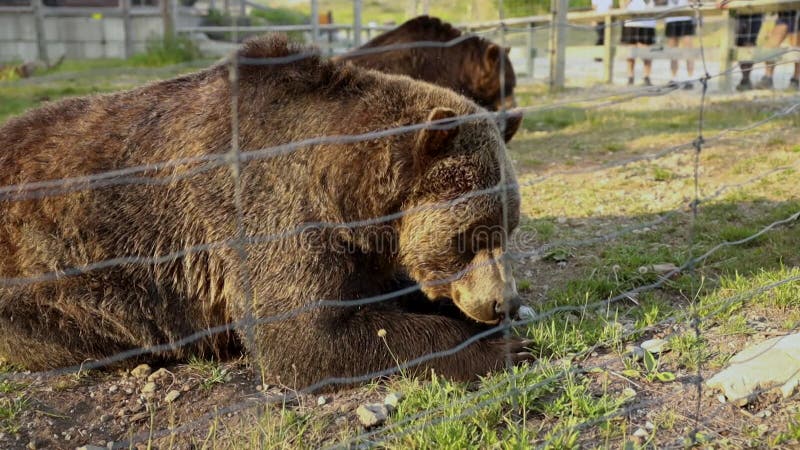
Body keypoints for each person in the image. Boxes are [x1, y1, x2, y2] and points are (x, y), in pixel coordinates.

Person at [718, 0, 764, 91]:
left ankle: (745, 79)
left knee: (749, 42)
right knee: (736, 41)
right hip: (733, 9)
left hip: (754, 7)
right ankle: (745, 78)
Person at [756, 10, 800, 90]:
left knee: (797, 45)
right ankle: (768, 78)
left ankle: (796, 80)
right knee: (771, 43)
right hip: (785, 12)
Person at [621, 0, 656, 86]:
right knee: (630, 52)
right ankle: (630, 77)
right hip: (631, 22)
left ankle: (646, 77)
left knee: (646, 52)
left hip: (648, 22)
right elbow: (622, 5)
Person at [664, 0, 696, 89]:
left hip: (686, 17)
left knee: (688, 51)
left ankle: (690, 78)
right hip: (671, 18)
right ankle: (674, 79)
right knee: (673, 52)